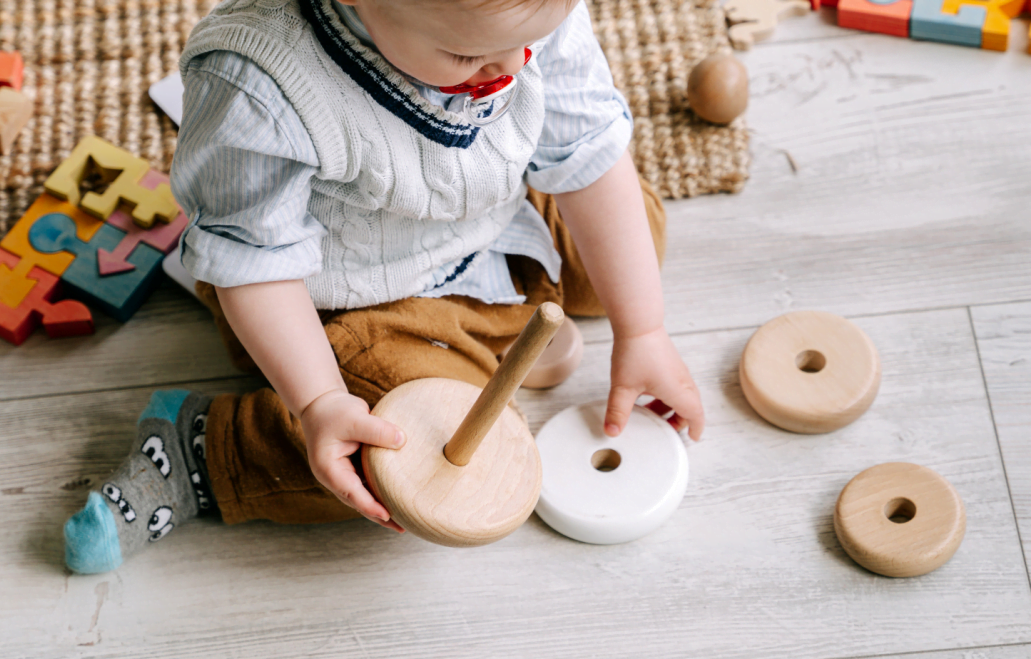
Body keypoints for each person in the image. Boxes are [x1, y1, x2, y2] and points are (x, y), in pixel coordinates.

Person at [63, 0, 704, 574]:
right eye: (467, 56)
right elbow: (257, 263)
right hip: (342, 298)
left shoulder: (521, 19)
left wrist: (643, 328)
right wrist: (318, 403)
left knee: (635, 234)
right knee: (406, 454)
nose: (511, 68)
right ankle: (203, 449)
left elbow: (586, 147)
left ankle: (501, 322)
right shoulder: (257, 82)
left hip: (492, 221)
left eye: (531, 42)